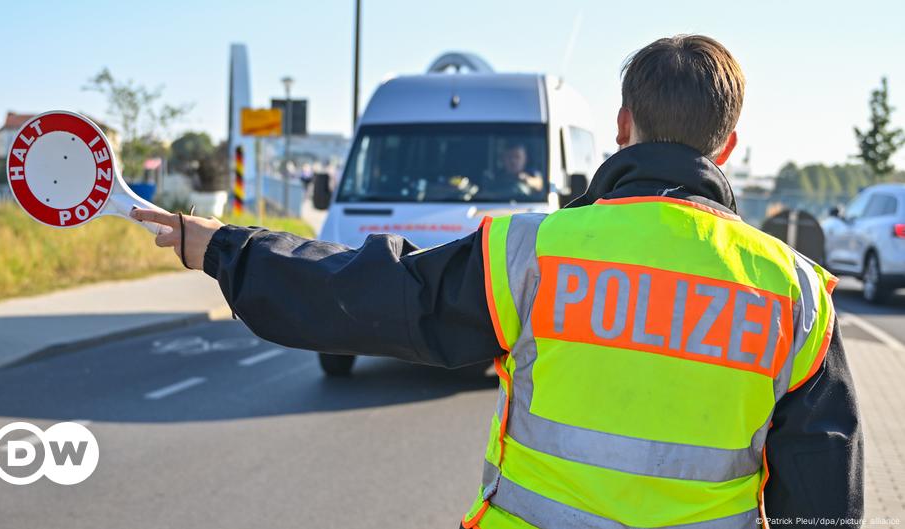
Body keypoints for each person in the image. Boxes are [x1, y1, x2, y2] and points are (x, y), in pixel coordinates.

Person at [133, 34, 863, 528]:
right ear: (728, 144)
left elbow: (368, 297)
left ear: (621, 124)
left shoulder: (535, 252)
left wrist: (225, 249)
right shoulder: (795, 295)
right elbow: (825, 502)